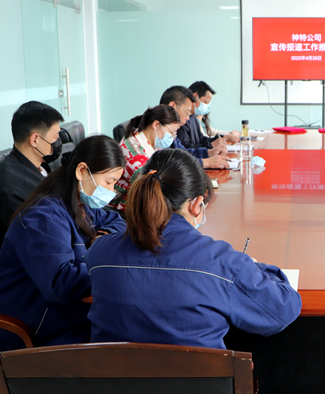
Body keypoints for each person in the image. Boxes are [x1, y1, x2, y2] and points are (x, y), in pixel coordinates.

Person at [87, 148, 302, 350]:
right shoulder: (224, 263)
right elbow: (283, 309)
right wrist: (253, 267)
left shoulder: (100, 252)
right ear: (196, 204)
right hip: (195, 377)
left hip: (111, 376)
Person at [0, 135, 126, 351]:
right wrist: (104, 261)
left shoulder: (78, 203)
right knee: (119, 333)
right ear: (82, 171)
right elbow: (62, 284)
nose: (112, 191)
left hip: (63, 314)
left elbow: (116, 220)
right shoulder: (44, 218)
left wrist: (103, 236)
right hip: (35, 327)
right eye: (109, 182)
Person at [0, 101, 63, 244]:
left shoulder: (42, 166)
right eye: (55, 136)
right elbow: (38, 240)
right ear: (35, 140)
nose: (58, 141)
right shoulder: (13, 189)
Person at [110, 105, 181, 212]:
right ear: (156, 125)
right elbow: (153, 186)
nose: (173, 137)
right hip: (128, 208)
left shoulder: (153, 141)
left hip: (147, 202)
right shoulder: (133, 154)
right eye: (171, 132)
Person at [159, 85, 229, 169]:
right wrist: (206, 162)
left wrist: (209, 153)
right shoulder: (159, 133)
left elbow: (185, 153)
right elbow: (172, 164)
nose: (188, 118)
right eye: (187, 112)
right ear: (172, 107)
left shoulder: (171, 132)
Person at [178, 81, 240, 149]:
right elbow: (186, 148)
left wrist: (223, 137)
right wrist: (212, 145)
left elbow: (202, 139)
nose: (206, 106)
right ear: (195, 96)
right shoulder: (182, 119)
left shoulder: (193, 118)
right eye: (205, 102)